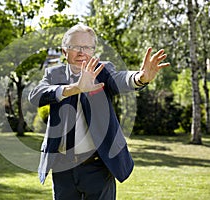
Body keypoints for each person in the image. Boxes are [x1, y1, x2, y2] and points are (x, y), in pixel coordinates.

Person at [28, 24, 170, 200]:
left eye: (87, 47)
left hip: (97, 167)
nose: (81, 52)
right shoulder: (53, 74)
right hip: (62, 168)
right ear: (64, 51)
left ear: (93, 51)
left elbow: (120, 79)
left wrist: (140, 78)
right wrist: (74, 88)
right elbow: (36, 96)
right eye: (75, 47)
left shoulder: (103, 71)